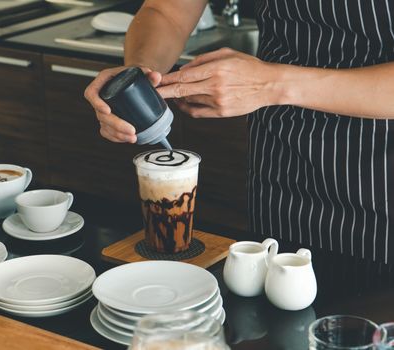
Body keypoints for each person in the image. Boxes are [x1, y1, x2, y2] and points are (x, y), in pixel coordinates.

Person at [84, 0, 394, 264]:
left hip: (378, 177)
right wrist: (139, 77)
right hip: (284, 166)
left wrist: (271, 84)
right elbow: (167, 10)